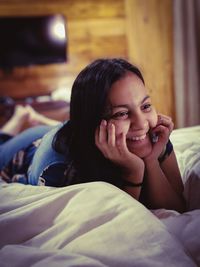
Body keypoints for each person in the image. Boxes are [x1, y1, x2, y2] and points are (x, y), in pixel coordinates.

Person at [0, 58, 185, 212]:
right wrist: (133, 171)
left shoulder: (152, 135)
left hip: (66, 130)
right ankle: (19, 117)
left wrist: (151, 161)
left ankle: (33, 117)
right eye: (121, 113)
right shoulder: (58, 169)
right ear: (93, 123)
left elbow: (178, 208)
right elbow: (117, 226)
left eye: (145, 106)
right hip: (27, 149)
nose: (142, 123)